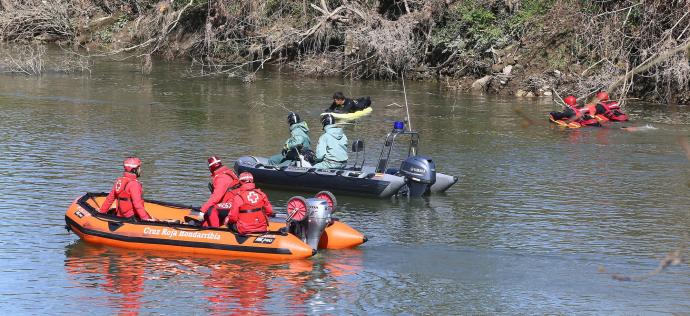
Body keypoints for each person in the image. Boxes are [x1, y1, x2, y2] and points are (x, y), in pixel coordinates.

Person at [99, 157, 155, 221]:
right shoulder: (134, 184)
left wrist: (101, 213)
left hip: (120, 216)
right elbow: (137, 205)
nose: (140, 170)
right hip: (131, 218)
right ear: (134, 170)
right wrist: (146, 219)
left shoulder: (119, 181)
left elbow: (109, 199)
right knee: (153, 219)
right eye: (139, 168)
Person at [200, 156, 240, 228]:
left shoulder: (221, 178)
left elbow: (216, 197)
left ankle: (216, 232)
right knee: (205, 222)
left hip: (232, 204)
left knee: (211, 210)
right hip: (234, 202)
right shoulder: (228, 172)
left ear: (210, 168)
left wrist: (203, 209)